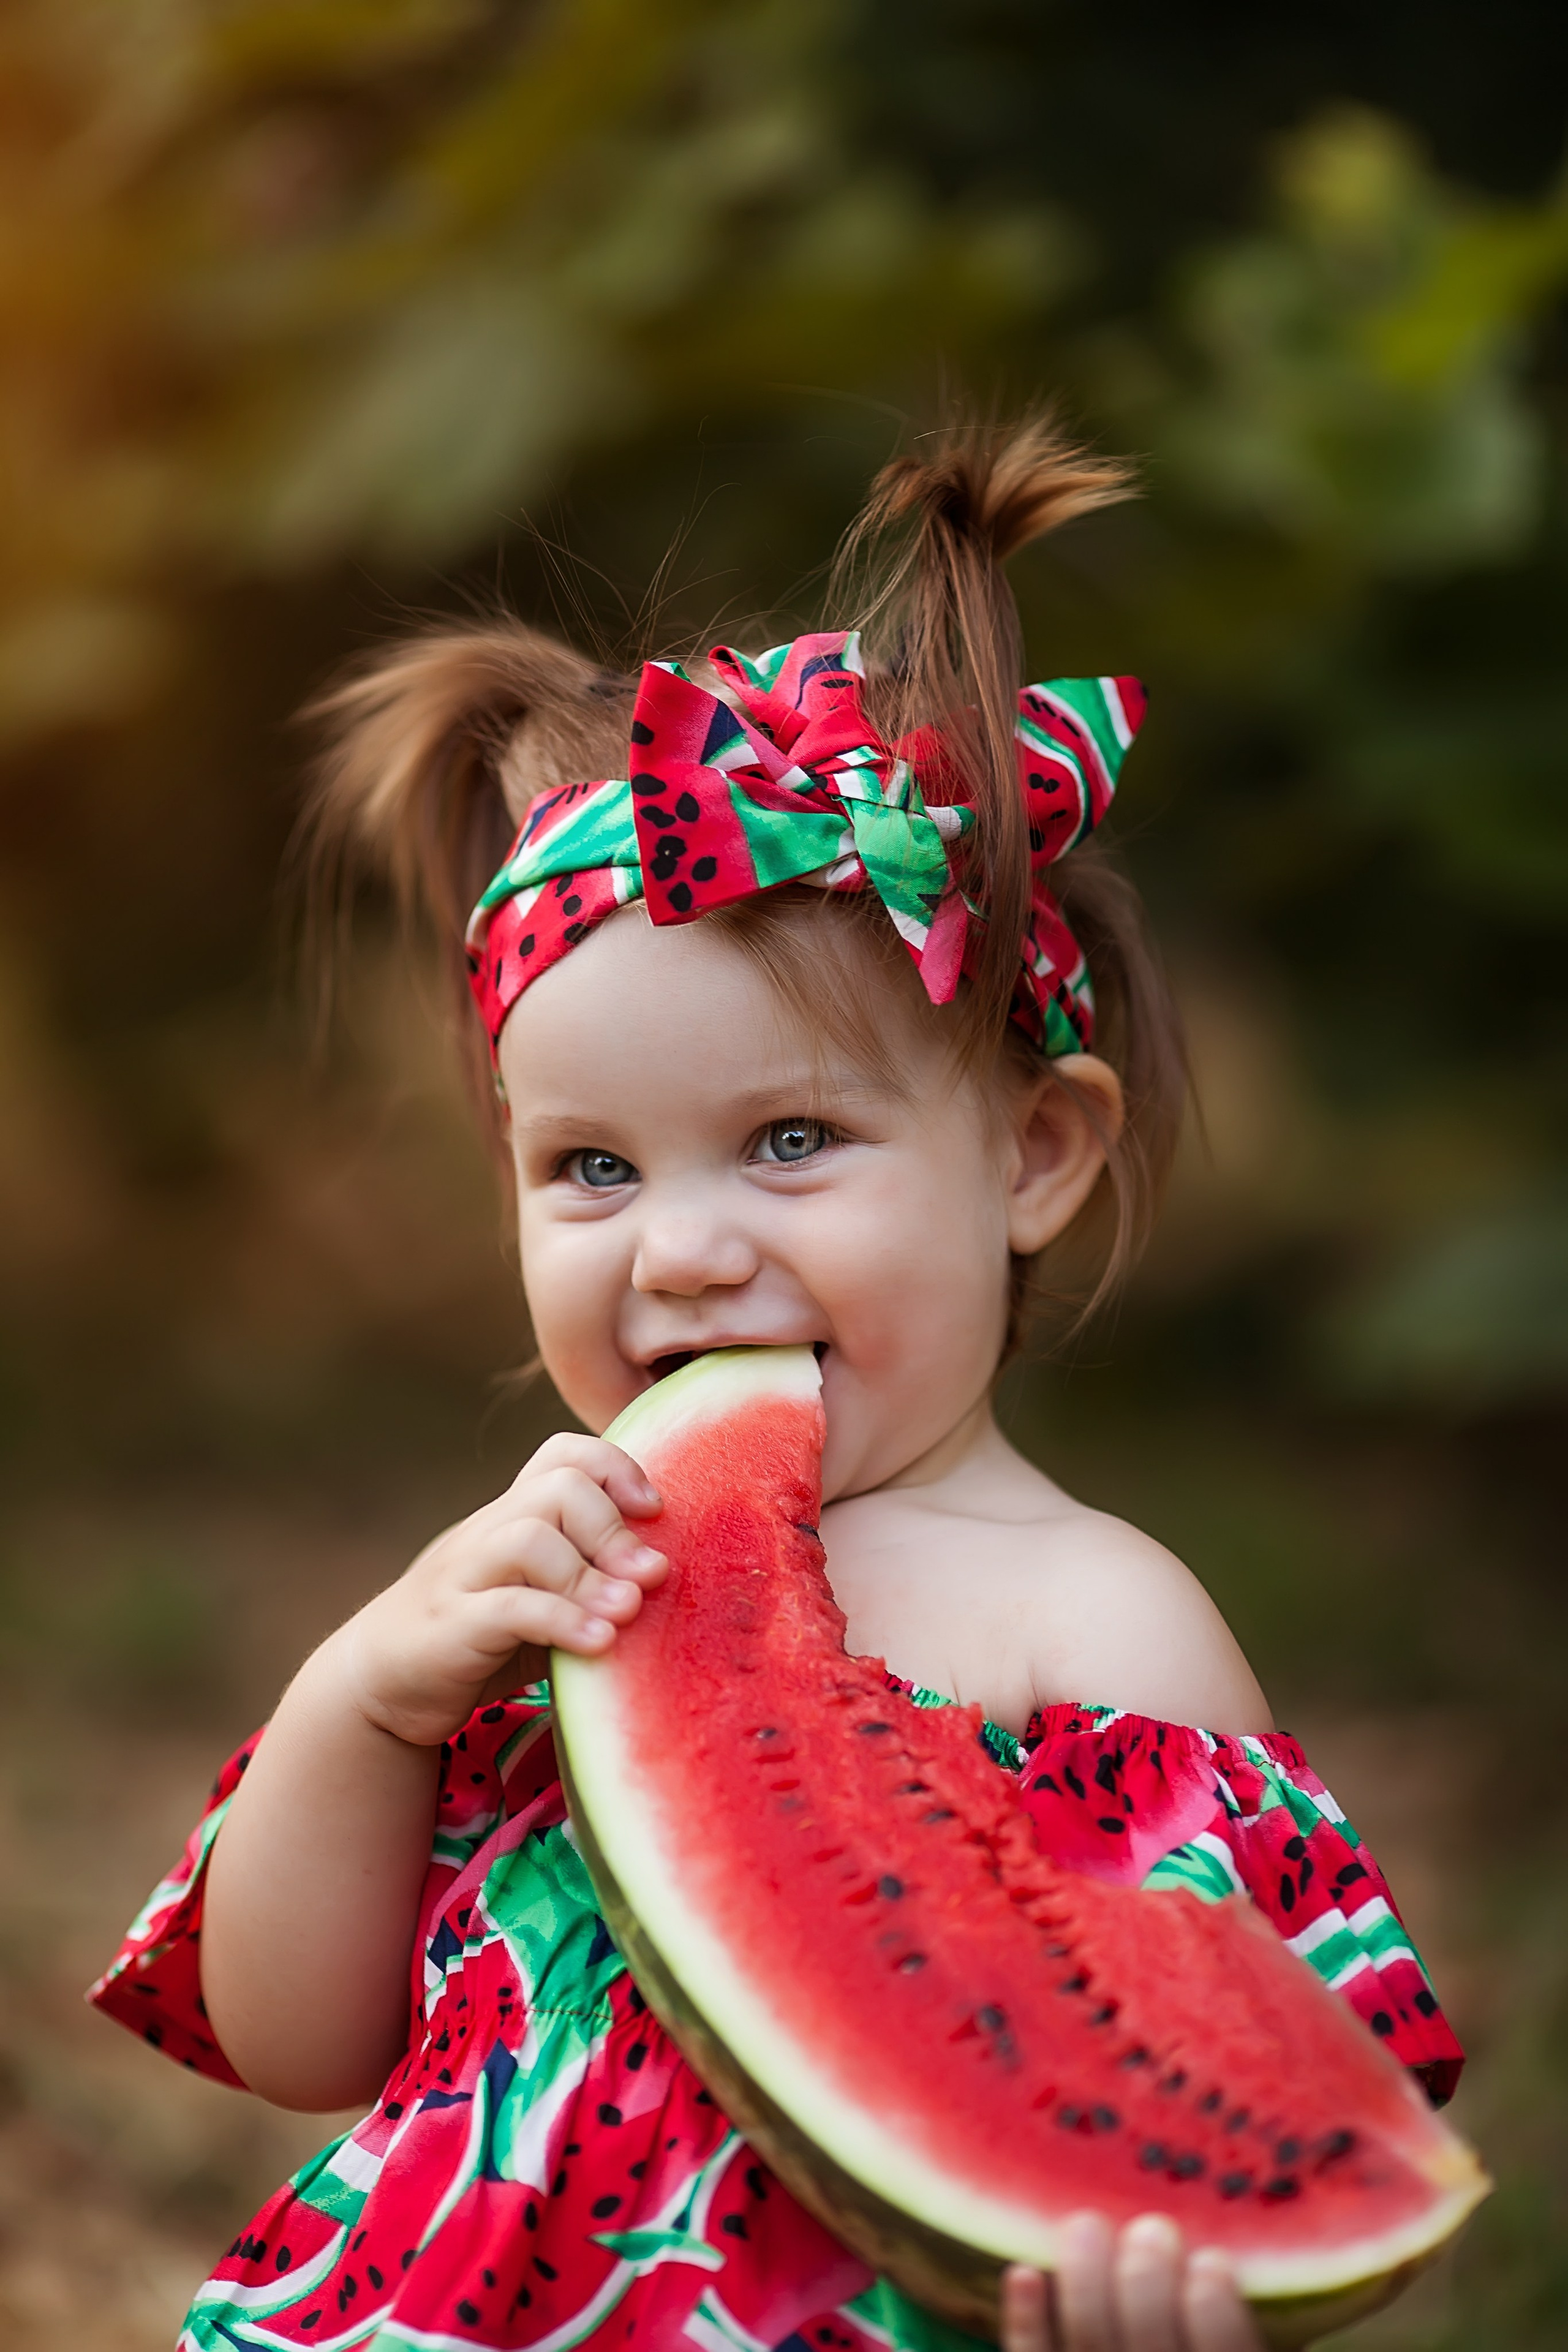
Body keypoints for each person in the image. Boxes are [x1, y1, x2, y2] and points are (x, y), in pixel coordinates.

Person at [91, 418, 1463, 2352]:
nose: (680, 1249)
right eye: (590, 1168)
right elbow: (297, 2036)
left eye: (794, 1140)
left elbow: (1255, 2107)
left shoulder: (1103, 1619)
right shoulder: (569, 1580)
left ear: (1032, 1157)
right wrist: (372, 1699)